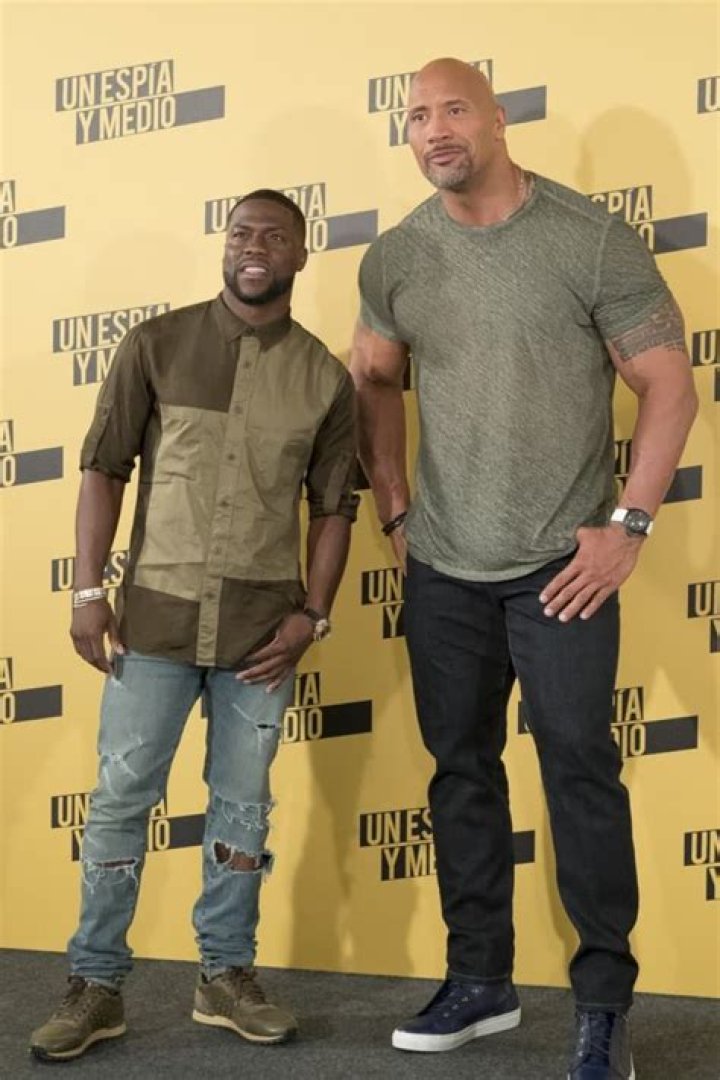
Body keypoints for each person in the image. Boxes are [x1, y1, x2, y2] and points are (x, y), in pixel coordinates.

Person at [350, 58, 698, 1080]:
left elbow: (669, 386)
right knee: (460, 772)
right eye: (418, 115)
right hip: (444, 569)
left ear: (498, 120)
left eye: (454, 109)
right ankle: (480, 981)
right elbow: (372, 376)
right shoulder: (396, 256)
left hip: (562, 568)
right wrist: (394, 504)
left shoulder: (588, 238)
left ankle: (603, 1007)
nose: (434, 129)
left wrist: (627, 526)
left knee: (580, 772)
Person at [30, 190, 358, 1061]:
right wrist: (86, 593)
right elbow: (103, 469)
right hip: (154, 626)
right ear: (225, 244)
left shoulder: (324, 378)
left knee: (243, 809)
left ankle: (225, 975)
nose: (255, 247)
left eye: (275, 236)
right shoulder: (156, 345)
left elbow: (334, 509)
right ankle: (96, 985)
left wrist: (314, 616)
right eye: (242, 232)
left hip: (261, 638)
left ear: (300, 255)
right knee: (119, 803)